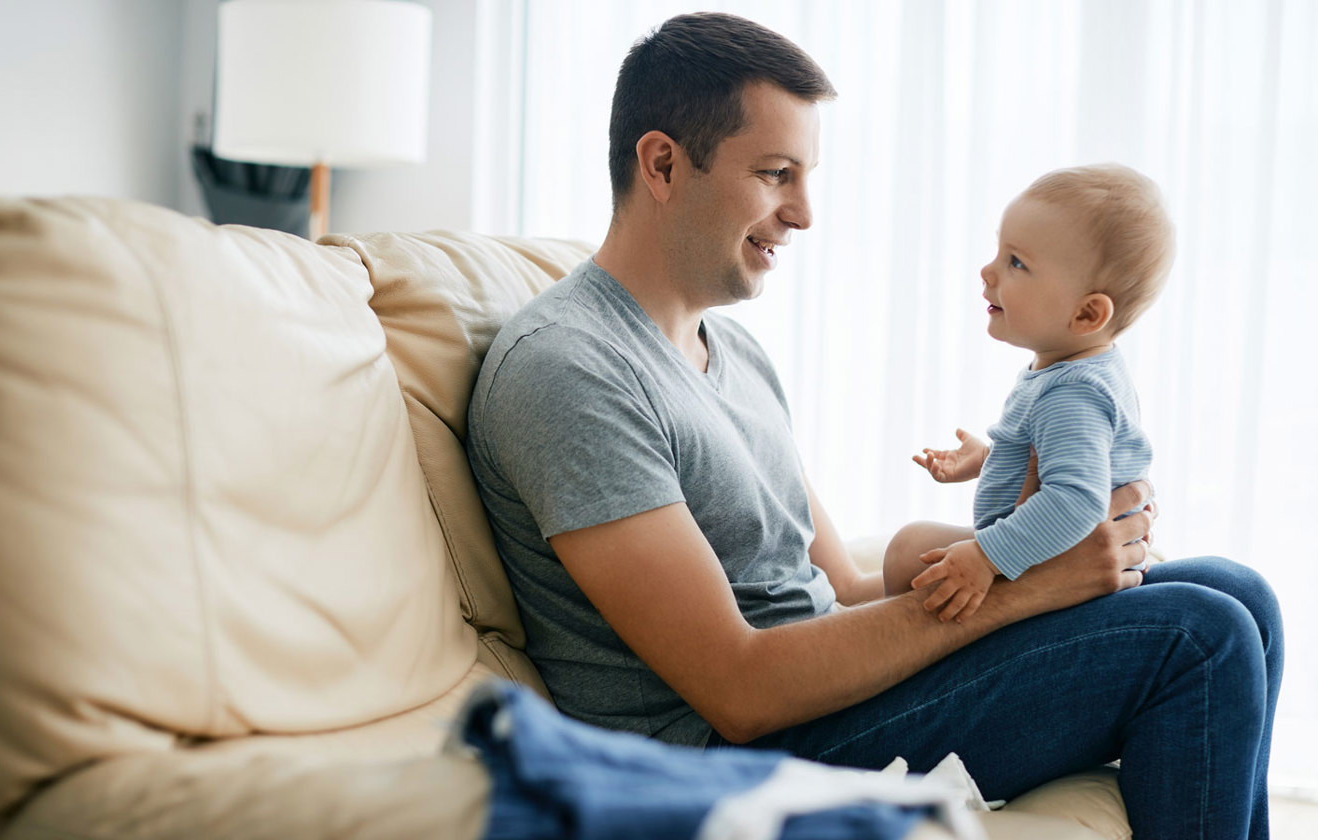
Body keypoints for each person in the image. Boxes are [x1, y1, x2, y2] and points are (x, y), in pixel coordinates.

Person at [465, 12, 1281, 839]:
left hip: (830, 696)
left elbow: (844, 590)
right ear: (664, 163)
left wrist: (1017, 541)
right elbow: (737, 690)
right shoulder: (570, 368)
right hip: (730, 752)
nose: (806, 213)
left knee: (1239, 593)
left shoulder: (733, 351)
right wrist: (1026, 585)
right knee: (1200, 636)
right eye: (777, 174)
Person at [882, 164, 1170, 624]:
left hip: (1066, 577)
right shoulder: (1078, 367)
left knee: (906, 555)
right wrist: (991, 459)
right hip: (1055, 557)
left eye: (1016, 263)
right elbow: (1055, 459)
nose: (987, 270)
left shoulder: (1073, 393)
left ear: (1087, 313)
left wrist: (987, 557)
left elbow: (1077, 500)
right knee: (909, 550)